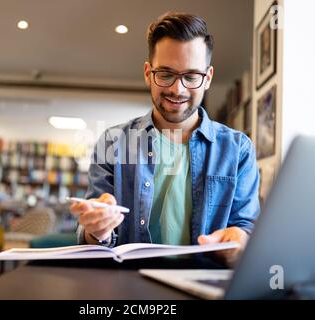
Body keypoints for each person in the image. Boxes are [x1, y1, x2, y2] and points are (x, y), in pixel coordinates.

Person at [70, 12, 260, 265]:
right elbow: (91, 240)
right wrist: (98, 230)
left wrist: (239, 242)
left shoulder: (238, 149)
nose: (177, 89)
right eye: (166, 74)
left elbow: (246, 229)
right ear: (148, 73)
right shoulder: (113, 142)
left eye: (191, 76)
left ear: (208, 78)